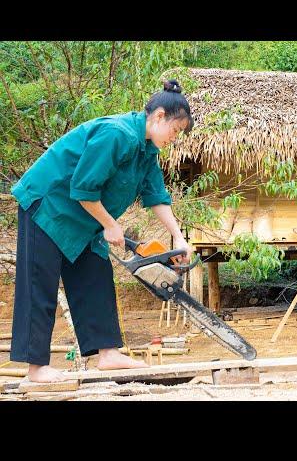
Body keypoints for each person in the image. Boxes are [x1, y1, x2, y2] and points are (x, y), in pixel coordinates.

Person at [10, 79, 195, 383]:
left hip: (84, 219)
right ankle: (36, 369)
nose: (175, 138)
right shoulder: (116, 134)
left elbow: (156, 196)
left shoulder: (147, 152)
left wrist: (178, 235)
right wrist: (110, 224)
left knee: (95, 274)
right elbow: (82, 188)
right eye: (175, 130)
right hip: (48, 206)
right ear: (159, 116)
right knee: (39, 282)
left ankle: (108, 354)